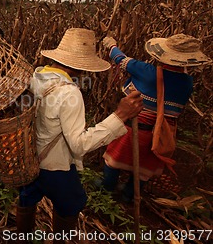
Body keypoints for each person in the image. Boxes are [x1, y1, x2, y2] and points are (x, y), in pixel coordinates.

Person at [16, 28, 143, 243]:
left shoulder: (35, 76)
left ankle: (21, 237)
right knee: (72, 203)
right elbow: (79, 145)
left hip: (30, 159)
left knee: (27, 197)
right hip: (55, 167)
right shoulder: (69, 92)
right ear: (80, 67)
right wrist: (119, 116)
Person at [100, 34, 211, 202]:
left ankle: (106, 190)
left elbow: (120, 59)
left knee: (114, 159)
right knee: (144, 168)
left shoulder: (147, 71)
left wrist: (111, 45)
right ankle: (128, 195)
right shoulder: (187, 83)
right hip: (160, 135)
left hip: (135, 128)